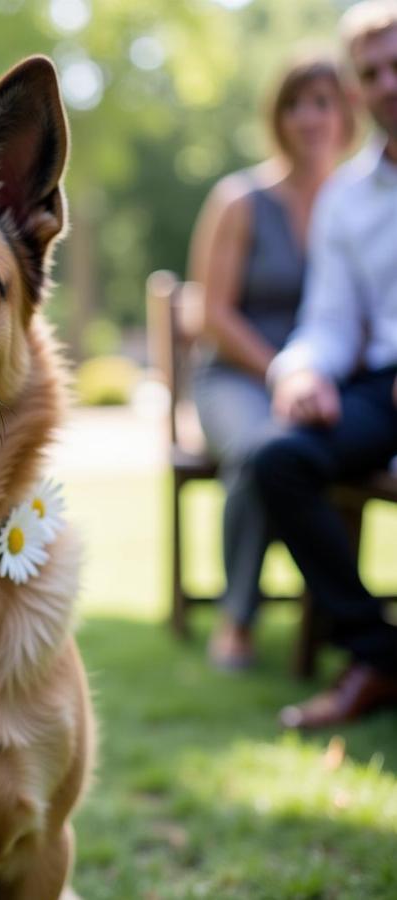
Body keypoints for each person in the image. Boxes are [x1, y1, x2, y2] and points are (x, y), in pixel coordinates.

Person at [254, 0, 397, 728]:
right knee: (278, 460)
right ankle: (378, 656)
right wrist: (300, 371)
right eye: (372, 73)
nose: (389, 84)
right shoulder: (347, 197)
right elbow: (331, 321)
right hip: (381, 388)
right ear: (358, 89)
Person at [188, 55, 354, 669]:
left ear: (348, 112)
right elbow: (213, 315)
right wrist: (284, 372)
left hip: (325, 383)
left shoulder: (359, 203)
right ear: (277, 117)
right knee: (263, 452)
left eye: (324, 102)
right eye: (295, 103)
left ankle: (337, 615)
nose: (310, 117)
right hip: (236, 376)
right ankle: (237, 618)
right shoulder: (240, 201)